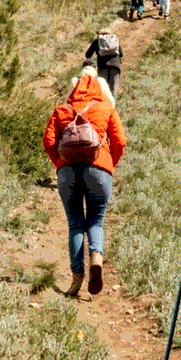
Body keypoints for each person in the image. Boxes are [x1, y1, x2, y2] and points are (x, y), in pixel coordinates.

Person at [43, 63, 127, 296]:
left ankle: (77, 276)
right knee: (96, 221)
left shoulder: (62, 110)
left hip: (67, 171)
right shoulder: (106, 108)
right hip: (99, 168)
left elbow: (49, 141)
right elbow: (120, 141)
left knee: (75, 223)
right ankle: (96, 259)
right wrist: (109, 164)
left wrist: (60, 163)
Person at [85, 25, 123, 100]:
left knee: (102, 88)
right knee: (113, 88)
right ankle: (112, 108)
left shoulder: (97, 40)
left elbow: (87, 55)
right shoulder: (114, 39)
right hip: (115, 66)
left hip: (102, 66)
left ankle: (102, 107)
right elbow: (121, 54)